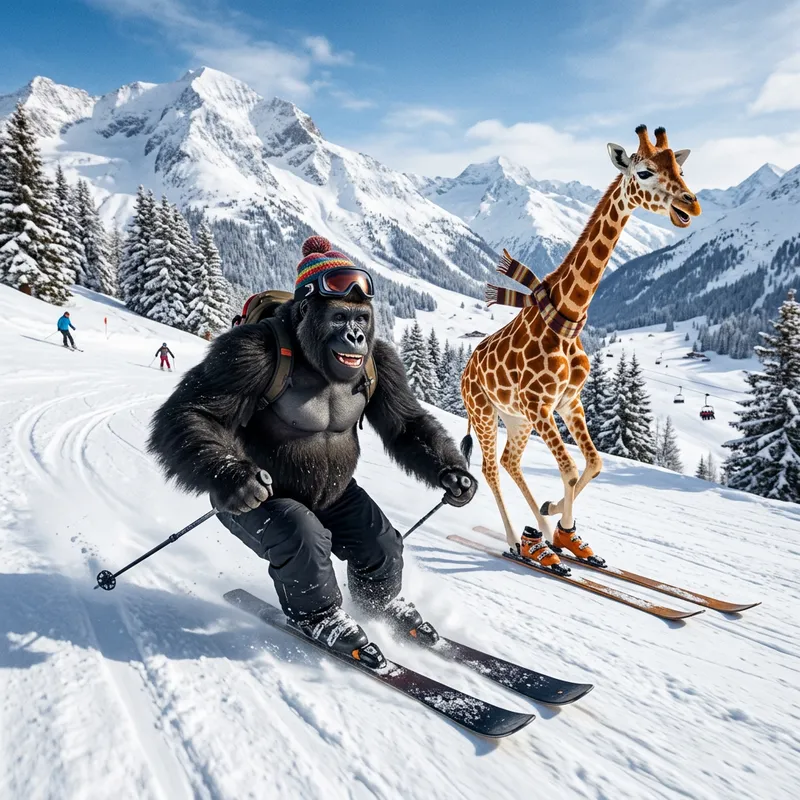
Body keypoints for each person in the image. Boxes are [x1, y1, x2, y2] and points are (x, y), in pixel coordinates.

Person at [148, 236, 477, 658]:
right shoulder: (255, 352)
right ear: (305, 311)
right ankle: (318, 616)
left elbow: (408, 426)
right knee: (304, 538)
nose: (355, 333)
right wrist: (225, 472)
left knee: (382, 545)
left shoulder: (377, 364)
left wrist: (446, 466)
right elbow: (183, 417)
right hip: (258, 494)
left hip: (334, 490)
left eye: (362, 318)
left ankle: (379, 605)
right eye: (340, 318)